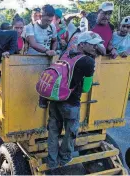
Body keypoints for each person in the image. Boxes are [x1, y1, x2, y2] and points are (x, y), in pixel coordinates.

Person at [47, 31, 105, 169]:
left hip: (55, 99)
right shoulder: (88, 61)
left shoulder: (64, 55)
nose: (95, 48)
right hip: (71, 104)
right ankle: (65, 158)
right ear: (83, 44)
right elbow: (85, 88)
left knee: (53, 132)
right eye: (93, 45)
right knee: (70, 133)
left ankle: (51, 161)